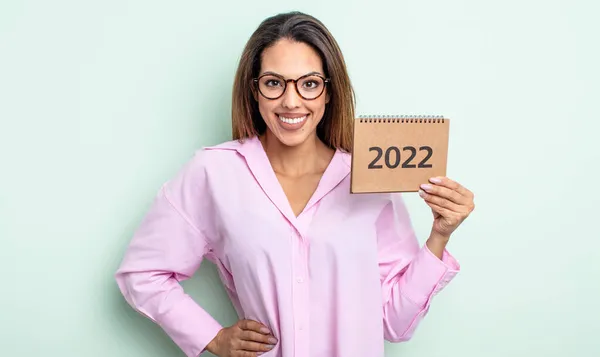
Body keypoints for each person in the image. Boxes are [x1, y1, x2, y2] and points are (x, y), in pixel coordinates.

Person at [115, 11, 475, 357]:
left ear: (329, 92)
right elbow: (143, 273)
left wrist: (439, 236)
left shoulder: (370, 179)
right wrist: (213, 337)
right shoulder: (213, 173)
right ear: (254, 90)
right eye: (273, 83)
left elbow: (395, 325)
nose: (291, 101)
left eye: (309, 84)